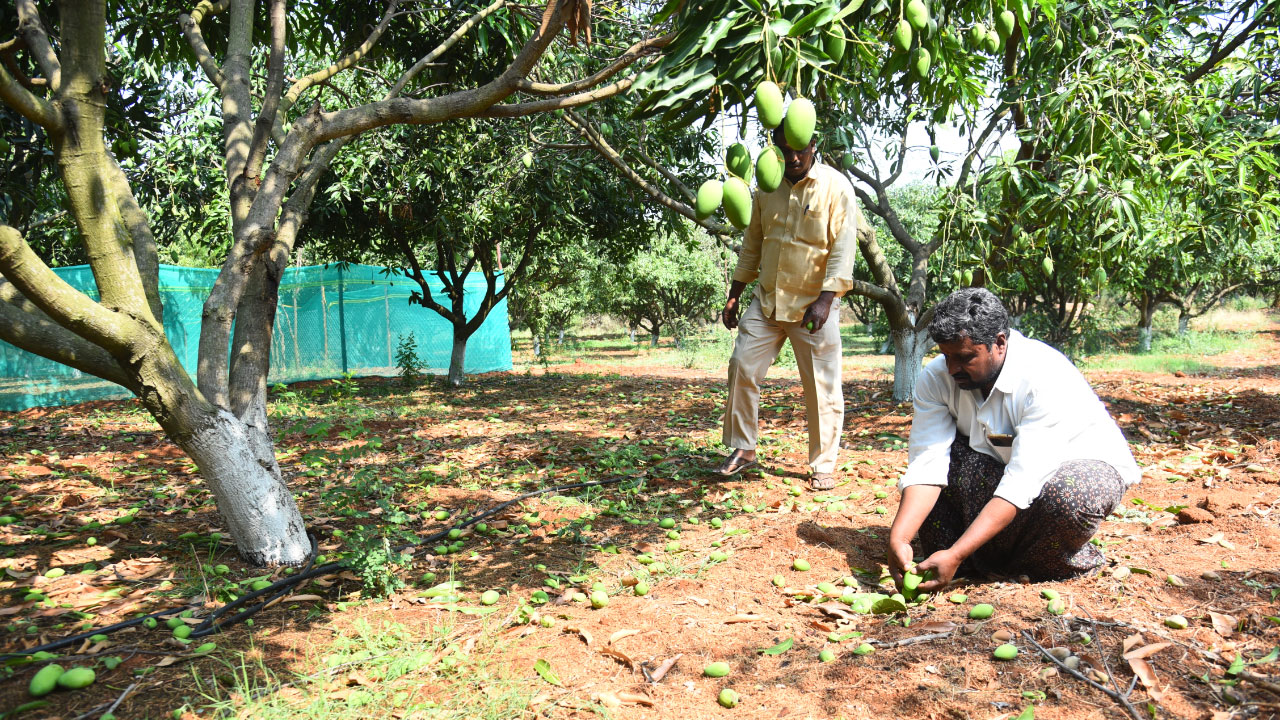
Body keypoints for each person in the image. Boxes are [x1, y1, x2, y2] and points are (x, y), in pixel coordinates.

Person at [887, 288, 1141, 591]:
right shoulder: (937, 377)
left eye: (966, 357)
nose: (953, 369)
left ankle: (1045, 562)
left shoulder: (1042, 375)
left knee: (1066, 497)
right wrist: (899, 537)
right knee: (951, 464)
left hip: (1077, 469)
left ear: (1000, 343)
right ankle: (974, 559)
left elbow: (1022, 481)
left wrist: (957, 551)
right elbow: (928, 462)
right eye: (946, 356)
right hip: (997, 462)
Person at [715, 126, 861, 490]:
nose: (793, 158)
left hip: (814, 307)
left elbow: (843, 248)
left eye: (800, 149)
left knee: (821, 386)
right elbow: (753, 244)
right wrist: (735, 293)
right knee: (742, 366)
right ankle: (744, 450)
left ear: (815, 144)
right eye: (784, 151)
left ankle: (823, 464)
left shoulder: (835, 186)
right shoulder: (766, 187)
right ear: (774, 151)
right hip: (767, 302)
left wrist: (827, 299)